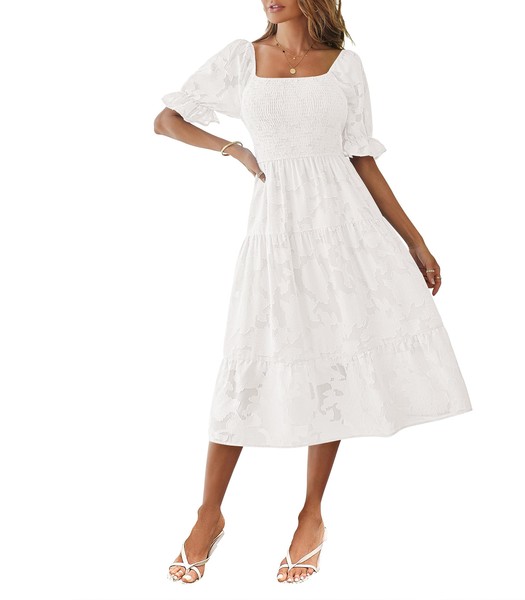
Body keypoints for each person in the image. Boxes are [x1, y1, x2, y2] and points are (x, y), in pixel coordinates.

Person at [154, 0, 472, 586]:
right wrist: (233, 149)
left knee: (331, 360)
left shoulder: (344, 65)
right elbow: (167, 120)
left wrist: (416, 241)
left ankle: (311, 515)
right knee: (247, 360)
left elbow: (362, 160)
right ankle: (208, 513)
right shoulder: (241, 58)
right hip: (276, 229)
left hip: (346, 229)